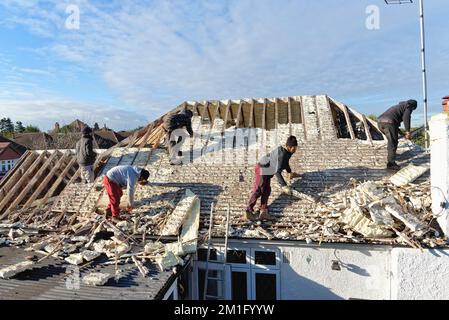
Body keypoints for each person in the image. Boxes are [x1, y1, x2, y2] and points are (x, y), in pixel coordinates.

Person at [245, 135, 300, 221]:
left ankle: (264, 212)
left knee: (266, 190)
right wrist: (284, 185)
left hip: (267, 171)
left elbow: (285, 163)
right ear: (289, 147)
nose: (295, 149)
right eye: (294, 148)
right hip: (262, 169)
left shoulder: (287, 152)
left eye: (296, 147)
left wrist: (290, 172)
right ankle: (248, 211)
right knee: (259, 190)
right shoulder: (282, 154)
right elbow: (277, 172)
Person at [377, 99, 418, 170]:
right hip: (389, 123)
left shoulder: (399, 106)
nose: (412, 111)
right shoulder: (408, 107)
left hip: (380, 122)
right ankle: (391, 163)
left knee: (391, 141)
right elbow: (406, 118)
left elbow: (394, 126)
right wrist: (408, 131)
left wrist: (402, 134)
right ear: (413, 106)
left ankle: (391, 155)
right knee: (392, 142)